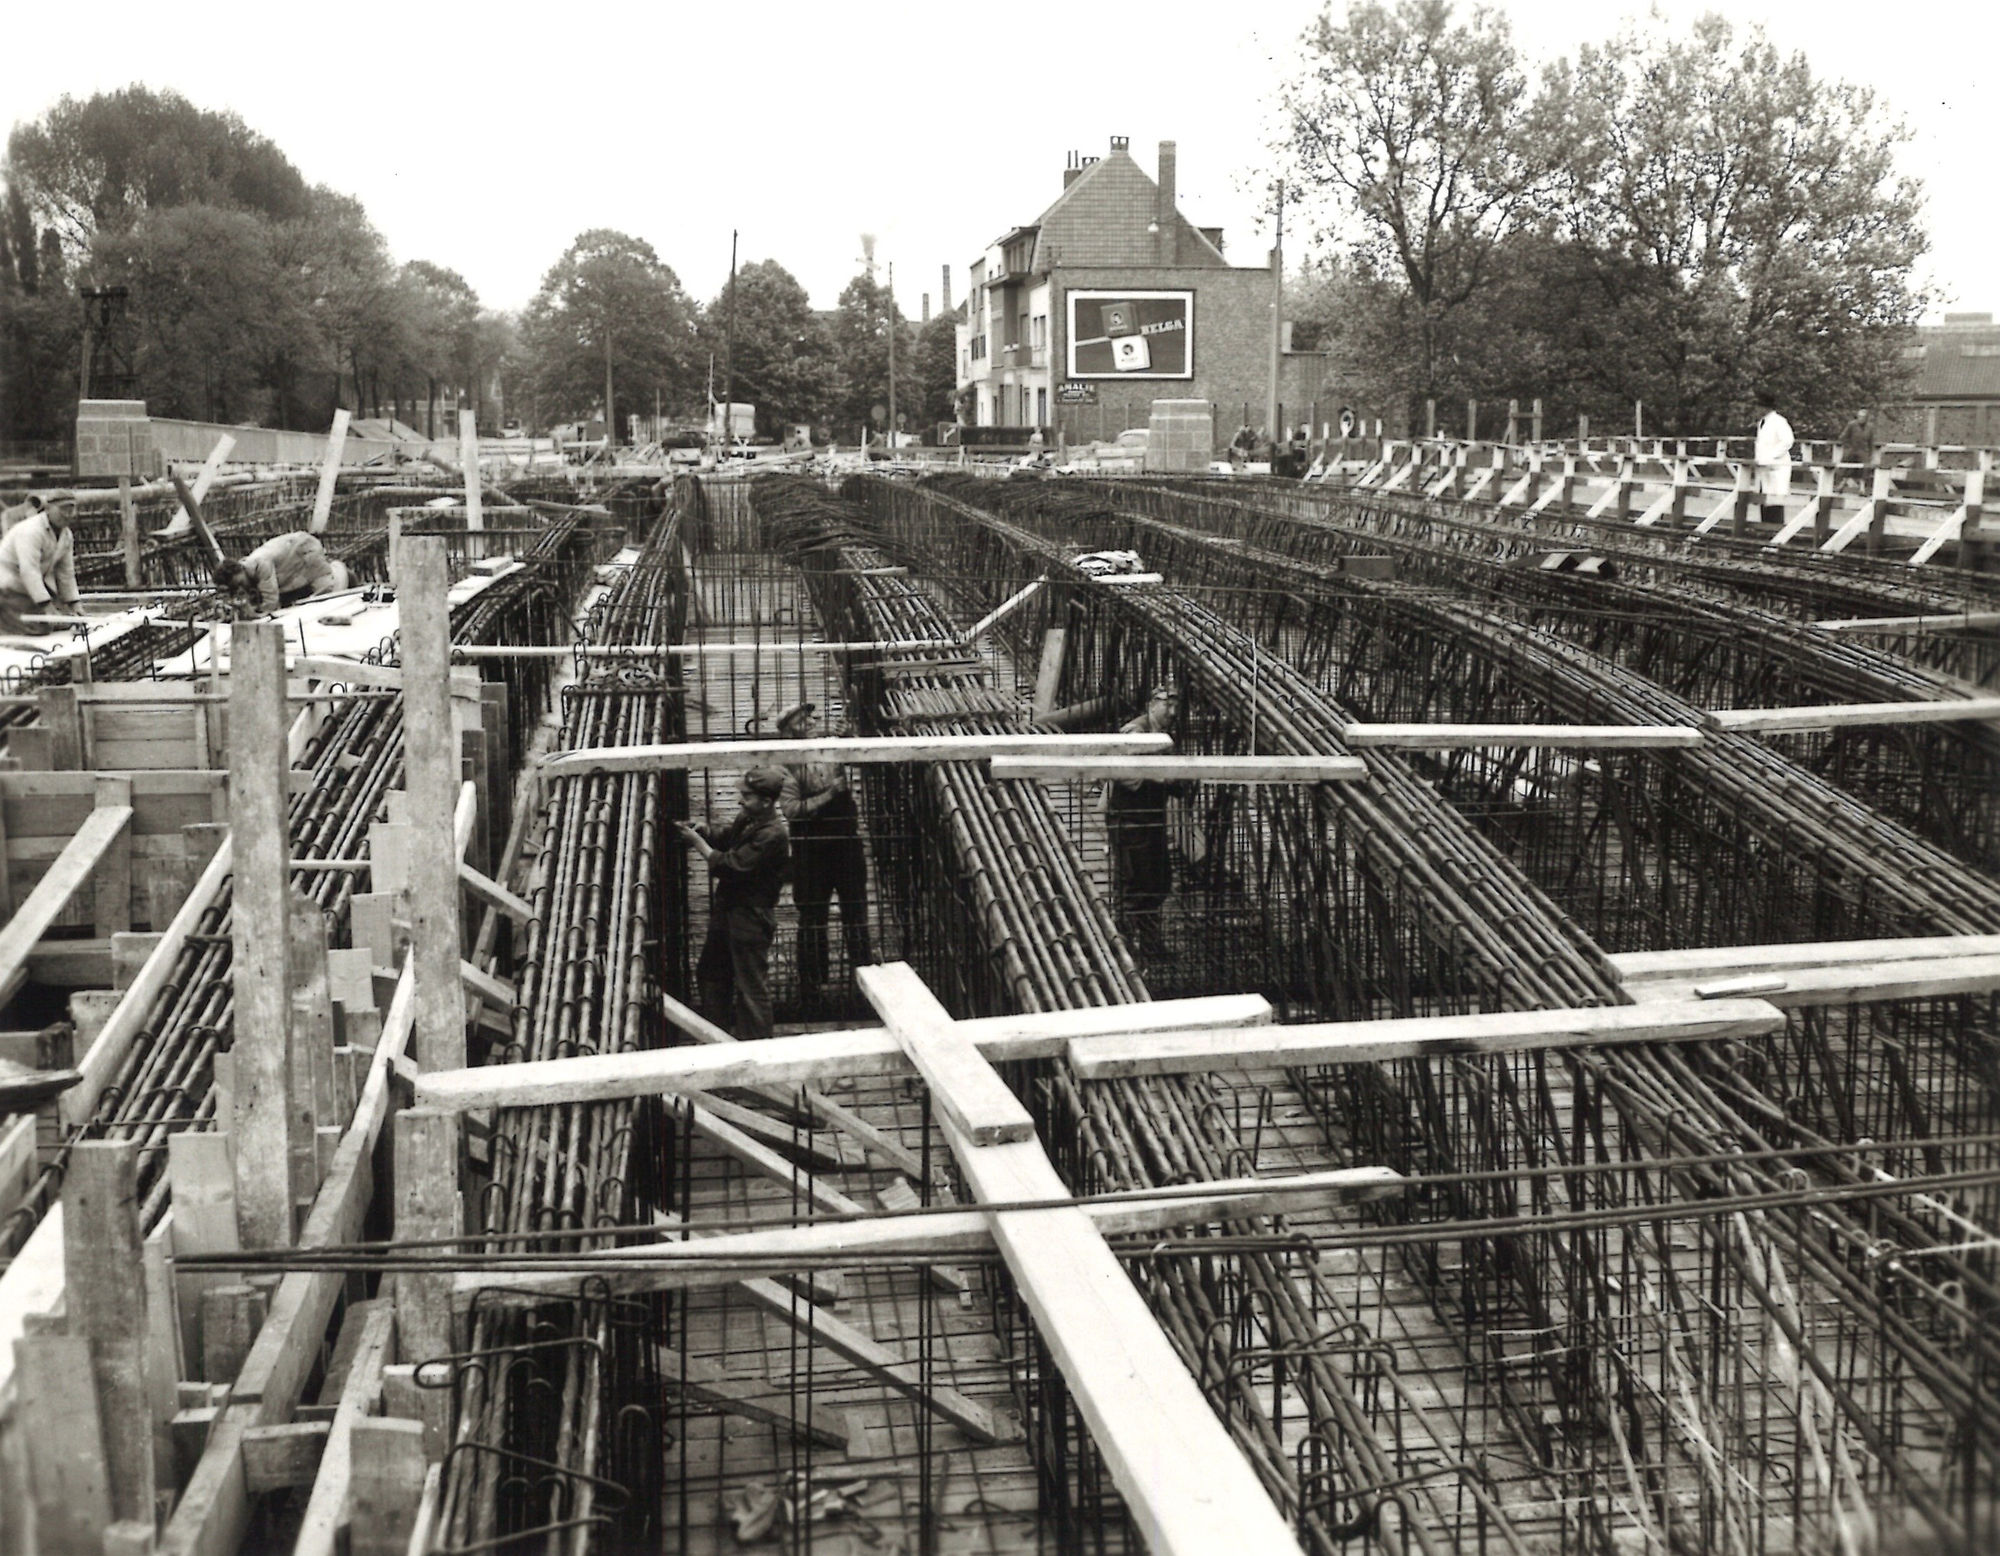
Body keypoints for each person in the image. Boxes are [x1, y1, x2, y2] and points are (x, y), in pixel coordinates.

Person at [676, 768, 791, 1041]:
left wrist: (697, 843)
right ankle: (718, 1040)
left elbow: (732, 866)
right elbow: (729, 838)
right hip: (728, 910)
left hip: (750, 917)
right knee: (711, 974)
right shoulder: (749, 818)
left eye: (747, 796)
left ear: (766, 801)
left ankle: (757, 1052)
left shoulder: (773, 834)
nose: (741, 800)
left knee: (750, 988)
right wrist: (705, 830)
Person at [775, 702, 873, 1000]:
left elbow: (865, 759)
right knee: (812, 915)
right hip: (811, 848)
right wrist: (830, 794)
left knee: (855, 909)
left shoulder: (832, 745)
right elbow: (791, 810)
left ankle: (864, 976)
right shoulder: (786, 763)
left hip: (845, 841)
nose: (811, 721)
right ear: (789, 731)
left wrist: (851, 738)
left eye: (810, 717)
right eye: (801, 720)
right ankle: (812, 981)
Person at [1103, 683, 1180, 960]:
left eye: (1175, 705)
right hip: (1130, 822)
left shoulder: (1163, 735)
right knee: (1132, 884)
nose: (1172, 711)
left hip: (1151, 821)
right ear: (1151, 704)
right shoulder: (1135, 732)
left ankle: (1150, 945)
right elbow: (1124, 774)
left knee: (1157, 882)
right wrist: (1159, 776)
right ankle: (1123, 947)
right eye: (1166, 704)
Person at [0, 490, 79, 634]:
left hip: (27, 588)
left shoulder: (66, 535)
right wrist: (47, 607)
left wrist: (75, 604)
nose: (68, 514)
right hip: (7, 587)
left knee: (63, 621)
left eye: (71, 509)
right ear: (48, 509)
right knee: (38, 629)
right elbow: (29, 571)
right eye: (63, 509)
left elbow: (65, 572)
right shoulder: (30, 530)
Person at [216, 530, 350, 615]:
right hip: (294, 552)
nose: (242, 586)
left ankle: (342, 573)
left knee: (326, 597)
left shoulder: (260, 564)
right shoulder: (249, 568)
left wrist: (254, 614)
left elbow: (271, 601)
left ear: (240, 569)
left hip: (305, 549)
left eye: (240, 582)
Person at [1753, 391, 1794, 525]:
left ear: (1766, 407)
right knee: (1763, 500)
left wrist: (1771, 456)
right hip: (1764, 467)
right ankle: (1765, 532)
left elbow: (1788, 441)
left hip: (1777, 467)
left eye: (1758, 406)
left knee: (1775, 501)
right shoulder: (1762, 423)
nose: (1756, 410)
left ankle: (1776, 535)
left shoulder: (1779, 421)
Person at [1836, 408, 1874, 493]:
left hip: (1863, 450)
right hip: (1852, 449)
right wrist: (1848, 447)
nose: (1862, 419)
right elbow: (1843, 437)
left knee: (1865, 467)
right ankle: (1842, 485)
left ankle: (1862, 488)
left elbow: (1871, 442)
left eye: (1864, 417)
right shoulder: (1852, 425)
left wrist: (1870, 454)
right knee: (1847, 466)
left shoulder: (1870, 427)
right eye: (1860, 417)